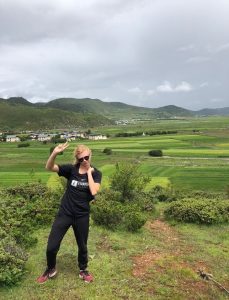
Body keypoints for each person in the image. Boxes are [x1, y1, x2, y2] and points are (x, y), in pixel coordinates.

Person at [37, 143, 102, 284]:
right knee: (52, 246)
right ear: (76, 159)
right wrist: (54, 153)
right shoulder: (71, 170)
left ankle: (83, 270)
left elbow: (94, 191)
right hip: (65, 213)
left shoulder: (96, 173)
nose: (84, 161)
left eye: (86, 157)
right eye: (80, 159)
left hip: (82, 215)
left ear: (90, 155)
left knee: (82, 245)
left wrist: (89, 173)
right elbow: (49, 167)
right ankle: (51, 268)